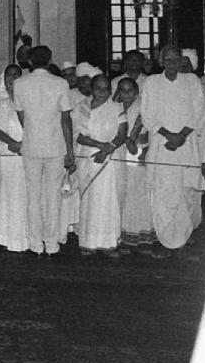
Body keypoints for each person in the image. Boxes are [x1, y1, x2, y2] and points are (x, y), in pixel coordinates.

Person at [12, 45, 77, 256]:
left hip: (31, 145)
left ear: (30, 62)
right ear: (49, 61)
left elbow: (21, 116)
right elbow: (65, 119)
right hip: (55, 146)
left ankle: (35, 244)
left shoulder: (20, 84)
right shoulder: (60, 83)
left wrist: (33, 131)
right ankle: (51, 244)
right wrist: (70, 151)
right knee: (53, 196)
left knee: (33, 196)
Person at [140, 44, 205, 251]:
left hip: (186, 146)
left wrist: (182, 135)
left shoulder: (192, 81)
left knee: (186, 193)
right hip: (161, 145)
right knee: (162, 192)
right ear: (161, 61)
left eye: (176, 59)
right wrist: (168, 135)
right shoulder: (152, 82)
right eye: (167, 60)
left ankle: (183, 237)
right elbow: (147, 114)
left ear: (181, 61)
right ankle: (165, 238)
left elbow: (199, 110)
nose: (172, 63)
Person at [73, 74, 125, 257]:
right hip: (88, 158)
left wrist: (108, 149)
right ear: (92, 89)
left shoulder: (117, 107)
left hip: (110, 159)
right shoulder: (81, 108)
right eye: (98, 89)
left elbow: (122, 133)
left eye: (106, 89)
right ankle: (88, 242)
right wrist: (99, 146)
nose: (102, 92)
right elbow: (78, 135)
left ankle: (109, 243)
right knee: (90, 201)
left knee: (109, 201)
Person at [115, 77, 155, 255]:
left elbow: (152, 131)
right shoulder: (115, 108)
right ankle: (123, 236)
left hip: (139, 154)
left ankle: (142, 236)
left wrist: (147, 151)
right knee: (122, 194)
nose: (126, 94)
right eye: (122, 91)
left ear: (137, 92)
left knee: (139, 196)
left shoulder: (143, 107)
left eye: (130, 90)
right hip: (119, 154)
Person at [0, 65, 28, 252]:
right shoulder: (3, 104)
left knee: (25, 197)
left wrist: (24, 145)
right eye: (8, 76)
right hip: (7, 154)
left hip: (27, 155)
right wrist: (12, 143)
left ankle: (26, 238)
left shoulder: (29, 101)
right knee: (7, 196)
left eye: (15, 75)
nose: (12, 79)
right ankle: (7, 237)